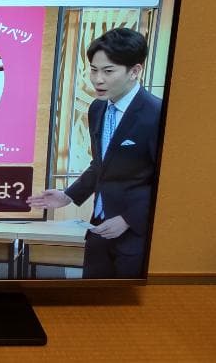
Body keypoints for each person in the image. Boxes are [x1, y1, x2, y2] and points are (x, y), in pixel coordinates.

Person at [26, 27, 162, 278]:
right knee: (91, 298)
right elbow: (101, 163)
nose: (98, 79)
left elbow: (167, 181)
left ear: (135, 71)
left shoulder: (156, 114)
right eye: (93, 69)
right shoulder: (97, 109)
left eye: (108, 71)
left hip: (135, 235)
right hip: (98, 229)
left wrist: (128, 219)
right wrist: (68, 195)